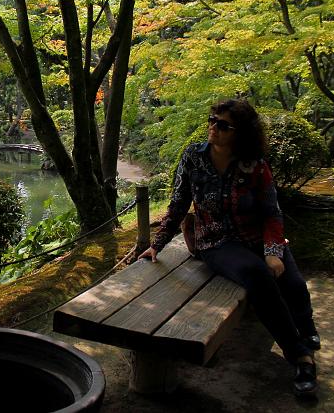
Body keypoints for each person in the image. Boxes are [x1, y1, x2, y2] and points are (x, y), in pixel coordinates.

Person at [137, 98, 320, 397]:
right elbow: (179, 203)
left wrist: (273, 252)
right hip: (216, 241)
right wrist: (157, 244)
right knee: (257, 274)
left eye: (223, 125)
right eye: (212, 120)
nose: (213, 127)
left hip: (257, 236)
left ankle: (307, 327)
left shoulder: (254, 165)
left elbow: (272, 213)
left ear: (241, 132)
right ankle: (300, 355)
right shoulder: (193, 157)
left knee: (294, 283)